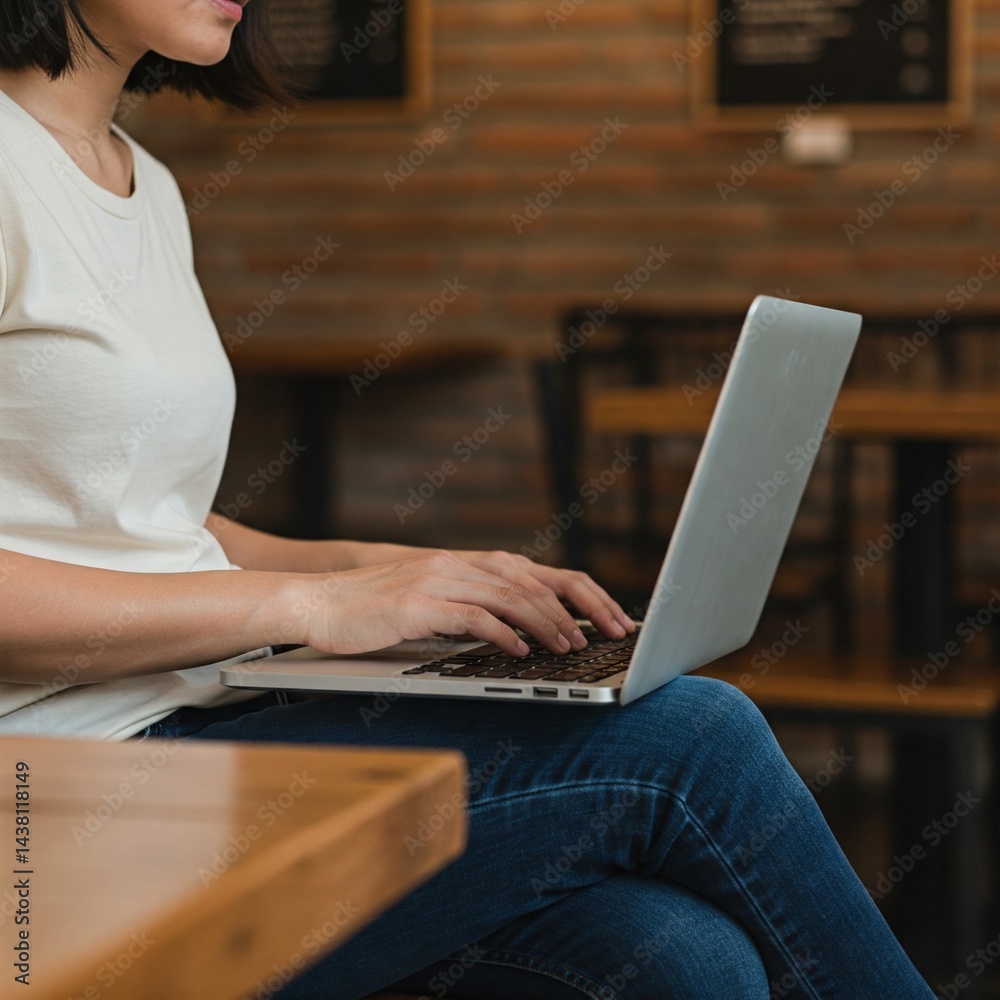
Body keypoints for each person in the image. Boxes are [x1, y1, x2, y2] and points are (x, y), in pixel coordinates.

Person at [0, 2, 935, 997]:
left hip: (206, 721)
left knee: (675, 954)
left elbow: (144, 522)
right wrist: (304, 606)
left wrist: (391, 574)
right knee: (693, 739)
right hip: (58, 787)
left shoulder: (143, 184)